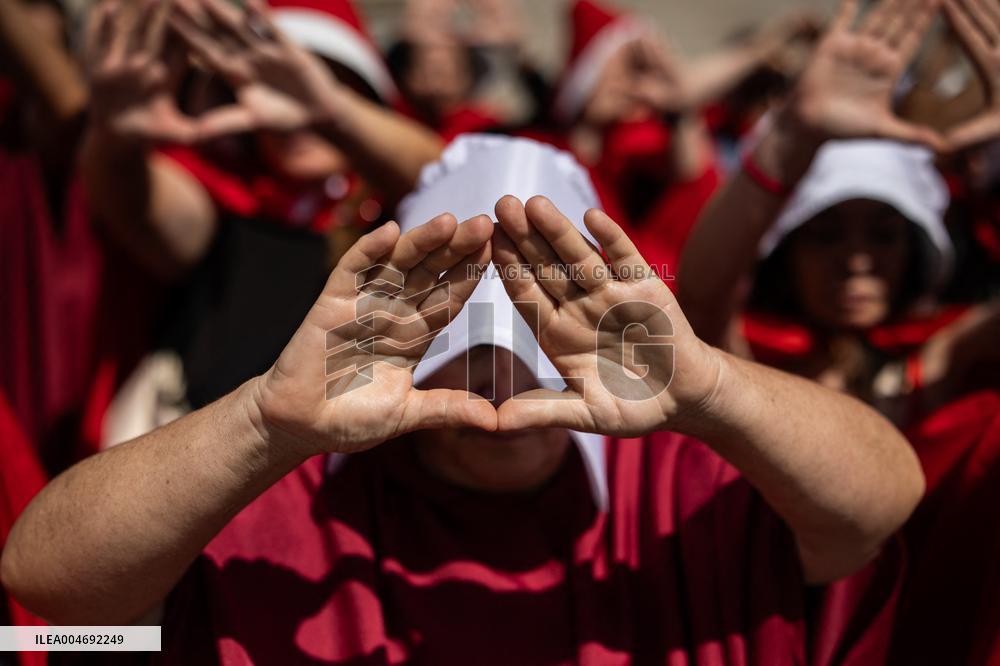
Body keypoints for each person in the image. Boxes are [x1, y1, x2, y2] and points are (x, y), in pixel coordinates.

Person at [2, 129, 924, 663]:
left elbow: (883, 500)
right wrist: (263, 421)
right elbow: (51, 598)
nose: (502, 378)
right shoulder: (295, 485)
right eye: (467, 337)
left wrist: (712, 386)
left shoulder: (687, 489)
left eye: (543, 333)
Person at [80, 0, 445, 415]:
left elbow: (448, 172)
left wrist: (332, 112)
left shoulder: (403, 208)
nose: (292, 113)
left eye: (325, 80)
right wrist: (113, 137)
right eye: (267, 87)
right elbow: (132, 200)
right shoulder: (228, 205)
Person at [544, 0, 818, 280]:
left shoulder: (631, 148)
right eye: (625, 68)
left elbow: (692, 175)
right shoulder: (536, 149)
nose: (632, 84)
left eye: (639, 72)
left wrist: (680, 109)